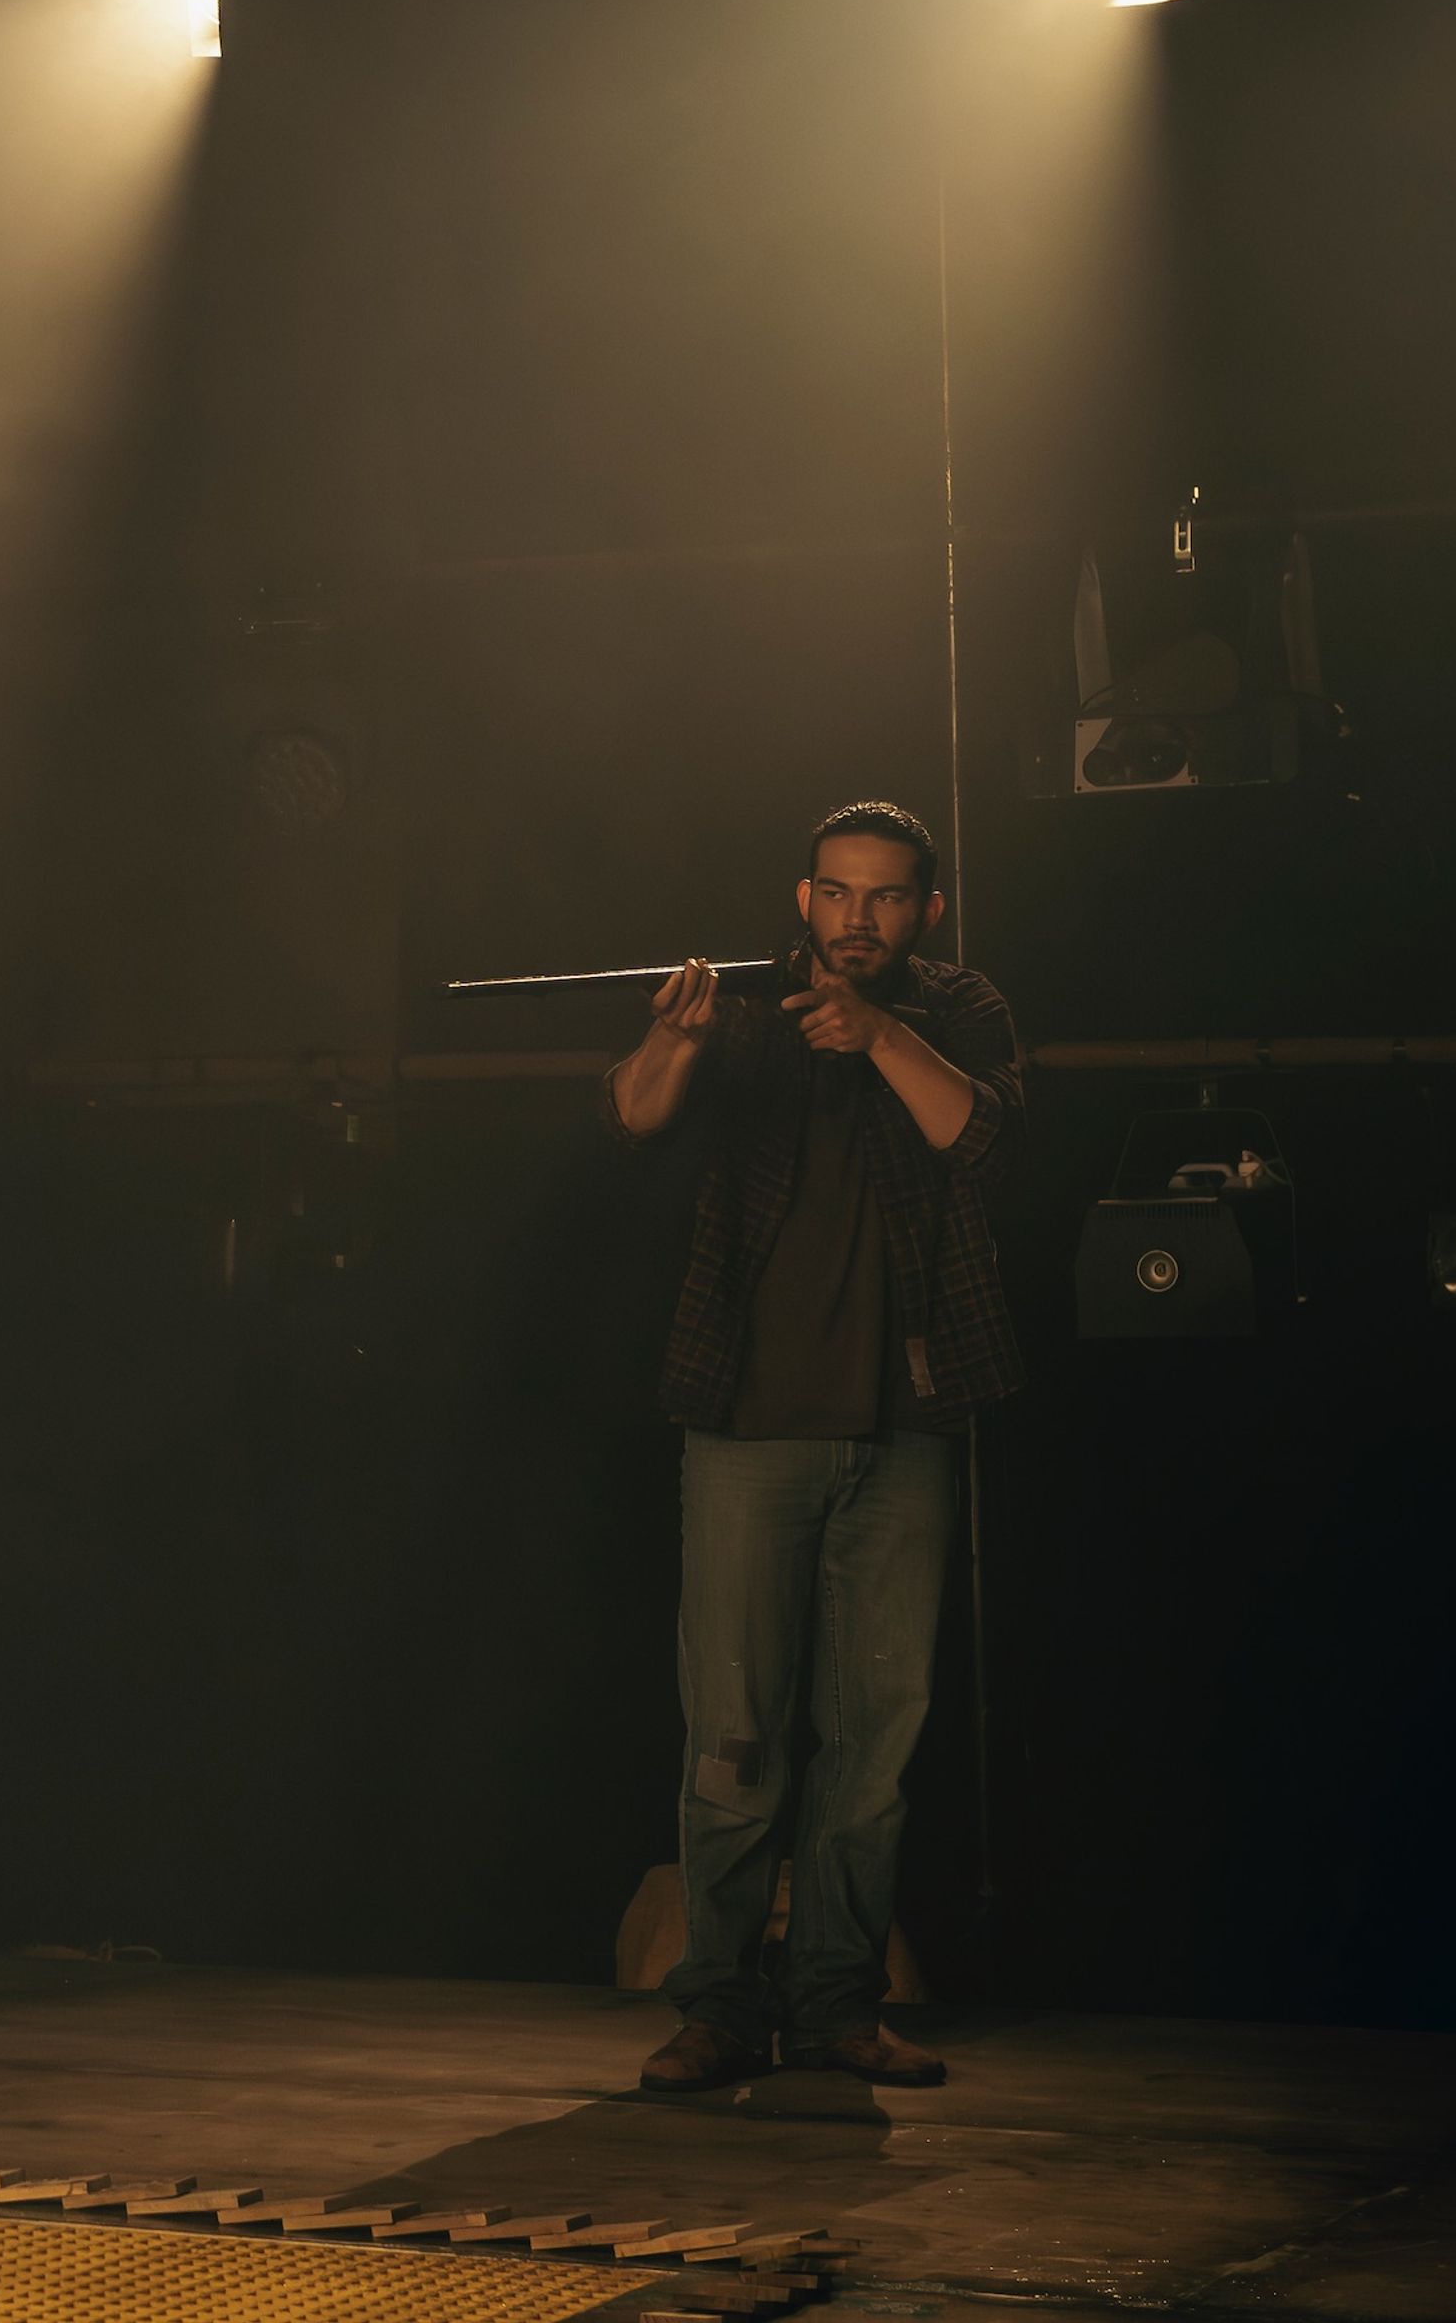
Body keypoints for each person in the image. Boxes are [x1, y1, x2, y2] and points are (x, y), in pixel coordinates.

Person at [601, 801, 1022, 2090]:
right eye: (837, 896)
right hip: (746, 1424)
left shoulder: (959, 1011)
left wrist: (882, 1032)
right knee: (731, 1739)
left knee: (875, 1745)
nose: (859, 920)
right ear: (802, 899)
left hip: (904, 1427)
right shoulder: (742, 1011)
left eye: (887, 898)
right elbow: (632, 1115)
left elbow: (979, 1131)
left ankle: (838, 2008)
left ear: (925, 911)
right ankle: (719, 2009)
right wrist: (670, 1037)